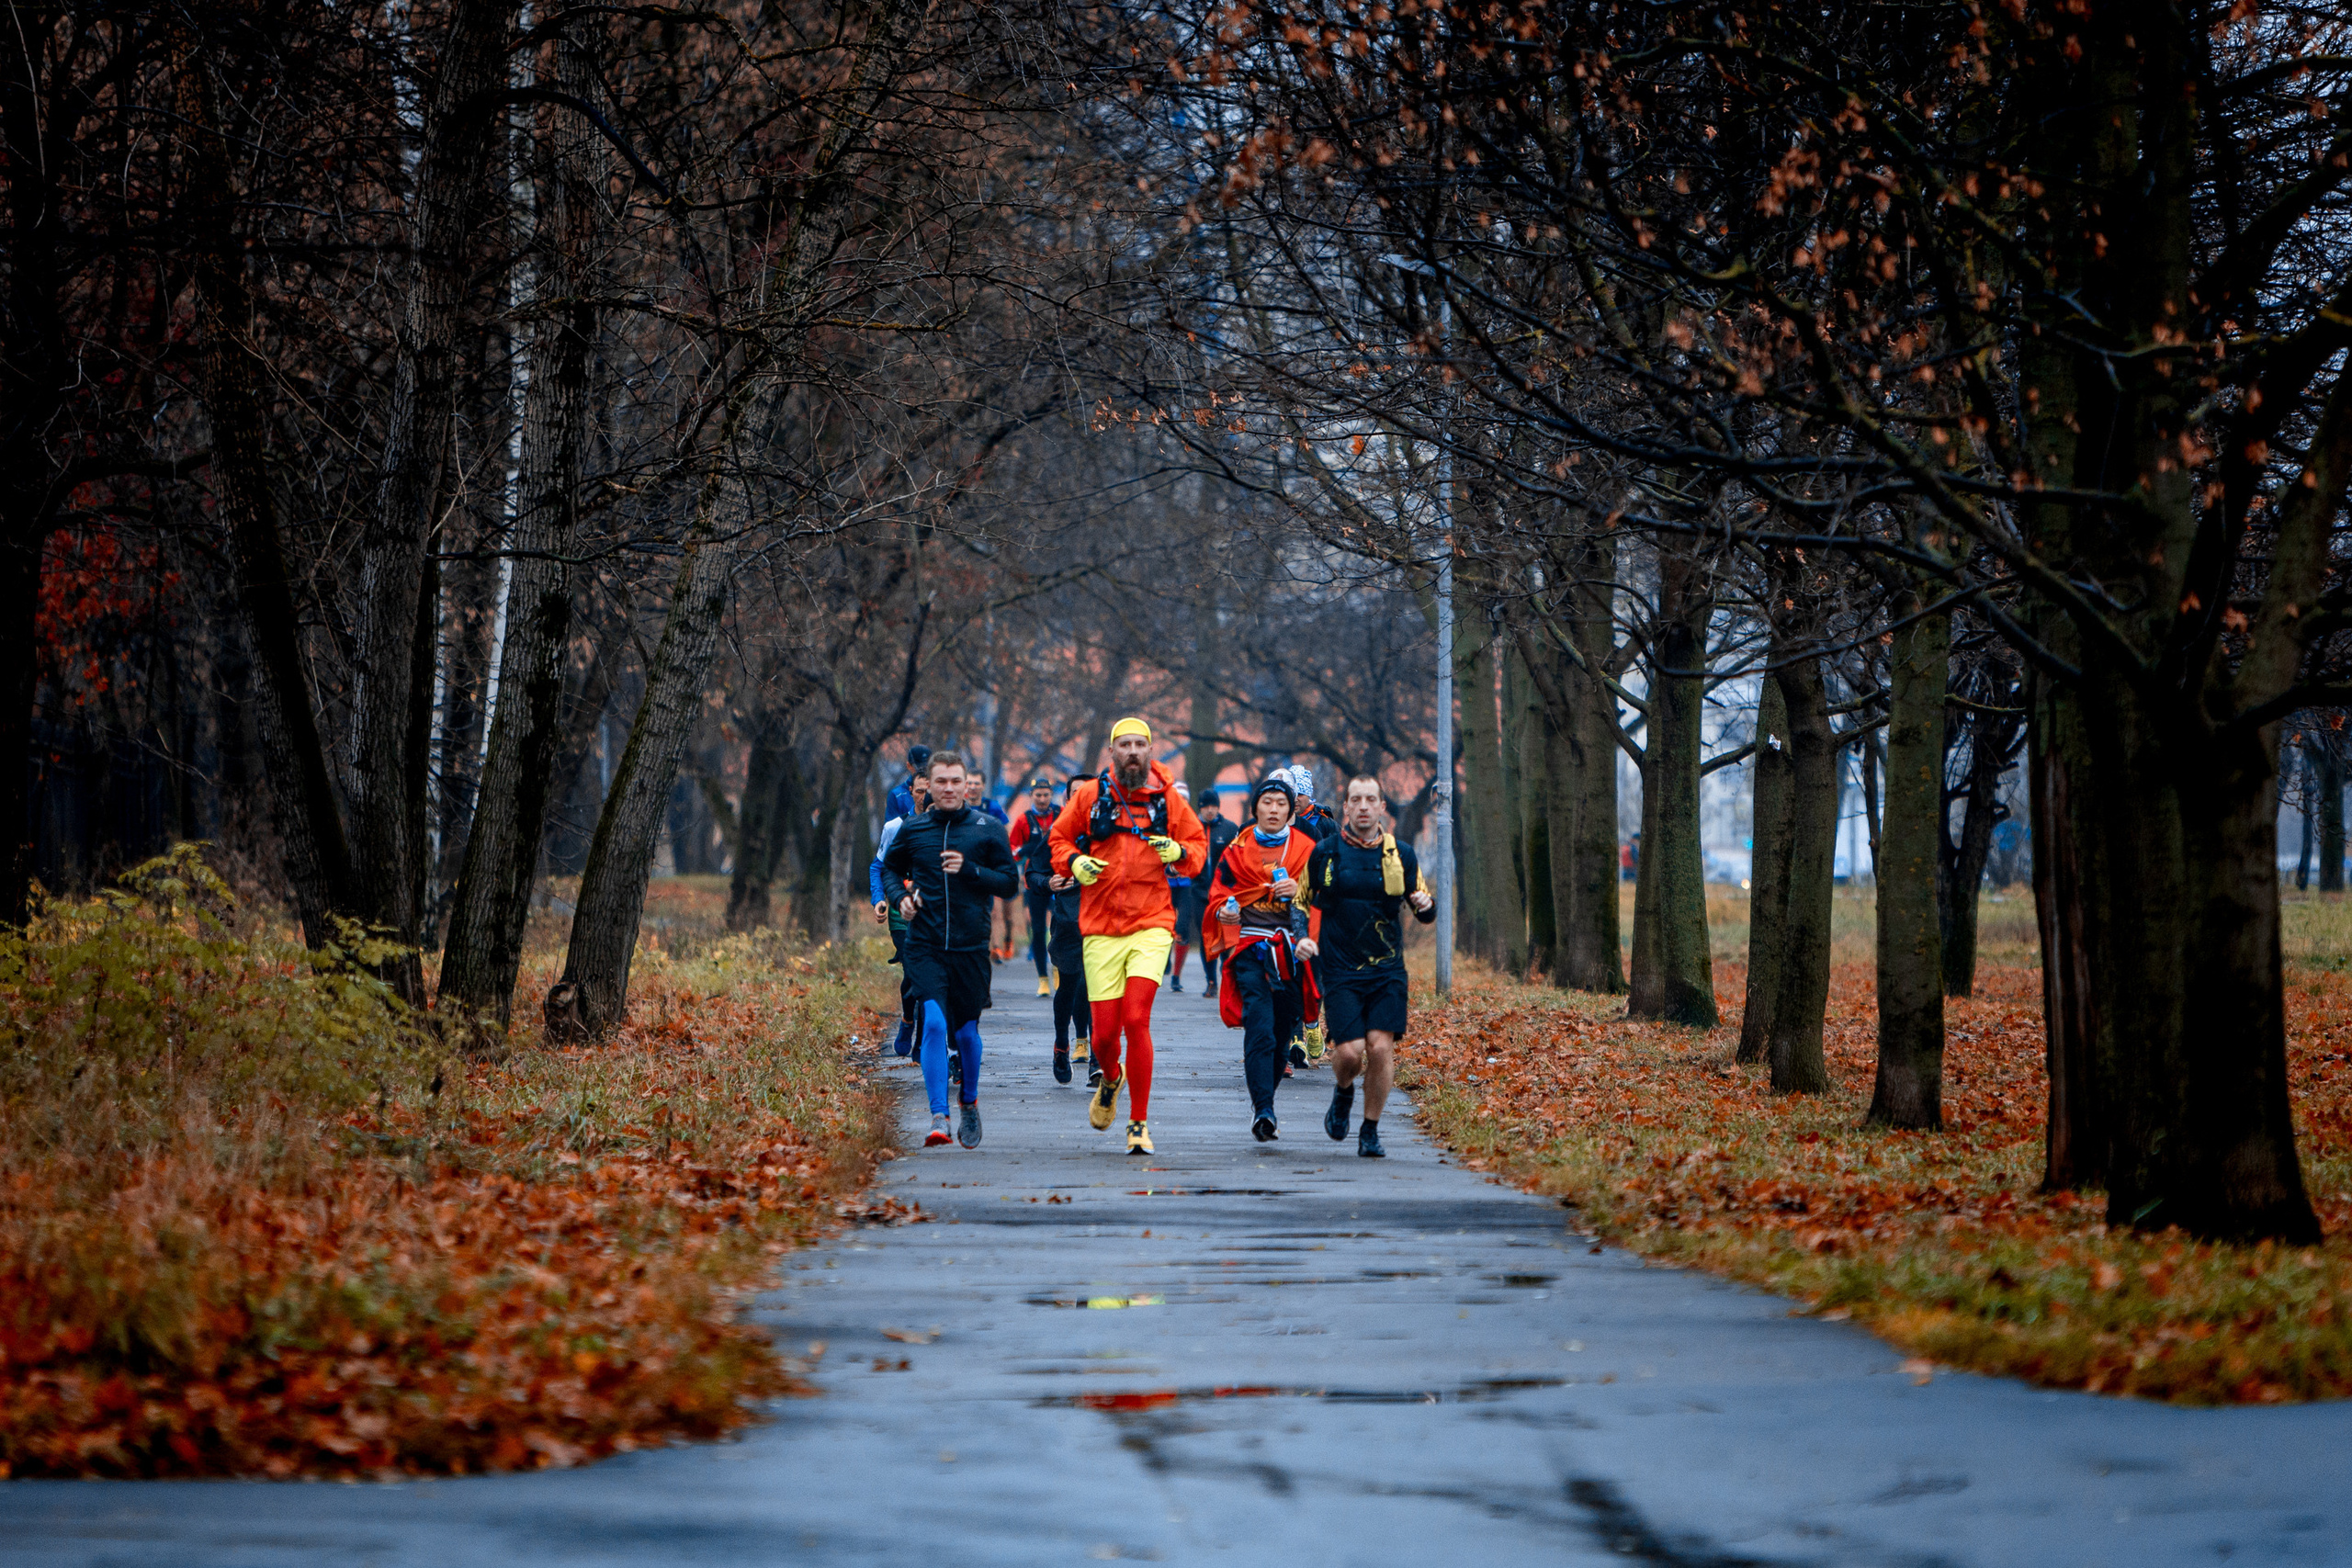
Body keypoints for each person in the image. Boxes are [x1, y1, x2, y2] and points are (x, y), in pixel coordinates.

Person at [1049, 717, 1209, 1156]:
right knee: (1103, 1037)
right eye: (1126, 745)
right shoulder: (1089, 795)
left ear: (1151, 751)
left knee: (1136, 1018)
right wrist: (1074, 864)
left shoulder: (1168, 800)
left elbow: (1198, 849)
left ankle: (1138, 1122)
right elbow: (1059, 839)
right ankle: (1111, 1076)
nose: (1134, 752)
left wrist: (1179, 852)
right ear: (1113, 751)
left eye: (1141, 744)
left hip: (1152, 922)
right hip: (1100, 927)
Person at [881, 751, 1019, 1148]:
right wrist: (899, 897)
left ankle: (969, 1102)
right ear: (929, 785)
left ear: (966, 785)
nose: (948, 788)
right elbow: (890, 869)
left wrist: (971, 870)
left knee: (967, 1032)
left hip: (970, 947)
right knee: (936, 1024)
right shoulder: (914, 829)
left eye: (955, 781)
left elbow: (1009, 883)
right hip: (925, 944)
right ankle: (938, 1115)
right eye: (940, 781)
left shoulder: (987, 829)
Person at [1306, 776, 1436, 1158]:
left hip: (1387, 969)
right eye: (1356, 800)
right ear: (1345, 807)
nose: (1363, 806)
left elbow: (1423, 905)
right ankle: (1343, 1092)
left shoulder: (1401, 854)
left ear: (1382, 807)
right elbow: (1301, 901)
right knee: (1349, 1053)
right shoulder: (1325, 853)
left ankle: (1371, 1129)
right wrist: (1302, 937)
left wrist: (1426, 908)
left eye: (1371, 800)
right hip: (1341, 968)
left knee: (1380, 1049)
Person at [1212, 773, 1318, 1142]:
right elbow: (1218, 897)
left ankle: (1265, 1100)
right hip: (1249, 948)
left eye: (1281, 804)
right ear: (1255, 808)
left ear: (1291, 812)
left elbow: (1324, 898)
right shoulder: (1236, 851)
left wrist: (1300, 890)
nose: (1274, 810)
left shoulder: (1307, 849)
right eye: (1267, 803)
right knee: (1258, 1023)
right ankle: (1264, 1110)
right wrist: (1224, 914)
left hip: (1293, 951)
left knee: (1281, 1031)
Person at [869, 767, 933, 1059]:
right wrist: (879, 899)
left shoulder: (951, 827)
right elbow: (878, 866)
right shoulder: (895, 827)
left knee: (930, 977)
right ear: (911, 792)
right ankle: (908, 1021)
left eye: (930, 789)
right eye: (920, 790)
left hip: (933, 911)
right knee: (914, 970)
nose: (926, 795)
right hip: (900, 910)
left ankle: (923, 1037)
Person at [1007, 776, 1057, 994]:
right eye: (1038, 795)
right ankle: (1043, 979)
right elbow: (1012, 849)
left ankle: (1057, 971)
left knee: (1059, 928)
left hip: (1059, 878)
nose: (1043, 799)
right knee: (1037, 930)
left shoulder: (1061, 814)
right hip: (1034, 880)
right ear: (1031, 796)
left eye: (1046, 795)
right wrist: (1024, 850)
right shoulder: (1023, 820)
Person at [1047, 852, 1091, 1085]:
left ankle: (1097, 1060)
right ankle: (1061, 1045)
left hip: (1102, 919)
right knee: (1070, 987)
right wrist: (1047, 882)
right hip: (1068, 924)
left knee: (1095, 987)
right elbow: (1033, 871)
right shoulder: (1064, 830)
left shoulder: (1114, 826)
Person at [1196, 786, 1239, 998]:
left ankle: (1226, 977)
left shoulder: (1229, 829)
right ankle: (1210, 981)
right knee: (1206, 936)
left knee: (1225, 936)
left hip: (1223, 892)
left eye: (1213, 806)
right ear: (1200, 809)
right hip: (1198, 891)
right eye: (1206, 807)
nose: (1210, 811)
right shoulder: (1193, 827)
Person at [1164, 780, 1204, 993]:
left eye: (1184, 799)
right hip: (1165, 883)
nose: (1181, 803)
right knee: (1164, 926)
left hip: (1187, 883)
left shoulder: (1193, 823)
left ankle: (1176, 977)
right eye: (1177, 798)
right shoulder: (1164, 821)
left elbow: (1199, 851)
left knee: (1182, 928)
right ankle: (1164, 961)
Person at [885, 744, 933, 822]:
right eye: (919, 767)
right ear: (909, 766)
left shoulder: (940, 790)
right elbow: (892, 828)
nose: (923, 770)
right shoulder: (897, 795)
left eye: (928, 767)